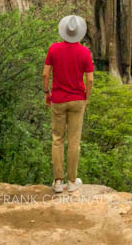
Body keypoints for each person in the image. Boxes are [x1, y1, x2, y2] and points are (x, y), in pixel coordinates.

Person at [42, 14, 94, 194]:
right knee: (74, 142)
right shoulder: (85, 52)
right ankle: (72, 182)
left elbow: (45, 75)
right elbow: (90, 79)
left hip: (58, 100)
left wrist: (47, 93)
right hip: (78, 100)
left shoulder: (54, 49)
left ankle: (57, 181)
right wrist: (87, 97)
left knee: (57, 139)